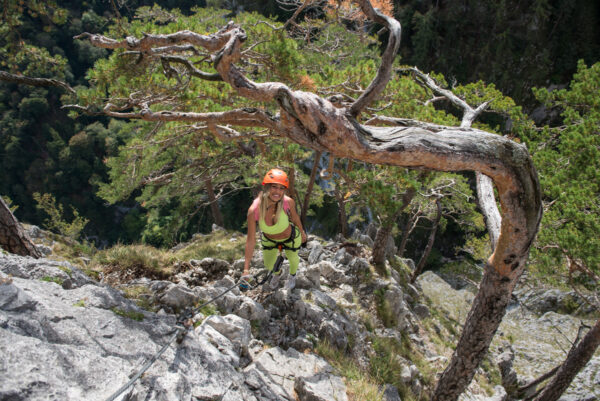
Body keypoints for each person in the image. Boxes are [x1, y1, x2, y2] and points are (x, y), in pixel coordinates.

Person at [243, 168, 307, 290]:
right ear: (266, 187)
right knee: (268, 264)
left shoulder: (288, 202)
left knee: (293, 258)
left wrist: (302, 232)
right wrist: (246, 269)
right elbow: (250, 240)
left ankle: (292, 275)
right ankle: (277, 274)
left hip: (291, 237)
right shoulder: (254, 209)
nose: (277, 191)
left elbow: (295, 218)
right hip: (269, 239)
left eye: (281, 188)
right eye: (274, 187)